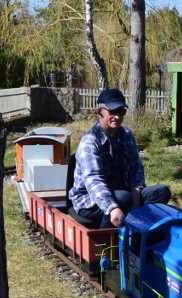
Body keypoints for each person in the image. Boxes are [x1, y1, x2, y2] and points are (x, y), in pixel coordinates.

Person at [69, 88, 171, 228]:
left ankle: (142, 235)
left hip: (123, 194)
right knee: (123, 198)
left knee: (161, 192)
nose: (117, 116)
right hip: (89, 200)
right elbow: (94, 180)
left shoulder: (127, 135)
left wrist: (136, 196)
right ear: (100, 112)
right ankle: (108, 245)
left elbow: (136, 169)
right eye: (112, 112)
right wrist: (112, 207)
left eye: (121, 112)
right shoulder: (90, 141)